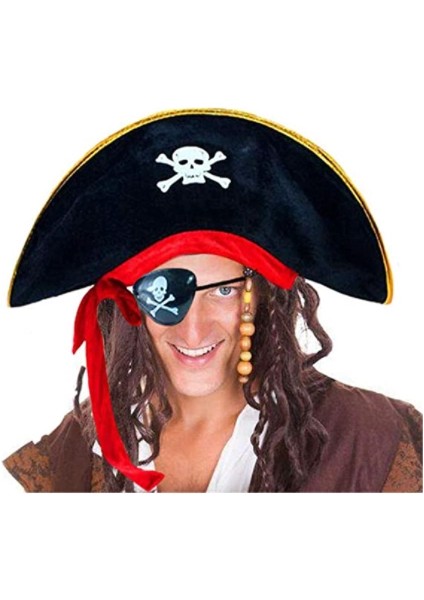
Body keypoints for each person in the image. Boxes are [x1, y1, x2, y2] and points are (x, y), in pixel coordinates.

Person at [3, 108, 422, 492]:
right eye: (164, 292)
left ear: (258, 295)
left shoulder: (373, 441)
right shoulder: (73, 454)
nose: (194, 329)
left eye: (223, 290)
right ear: (129, 303)